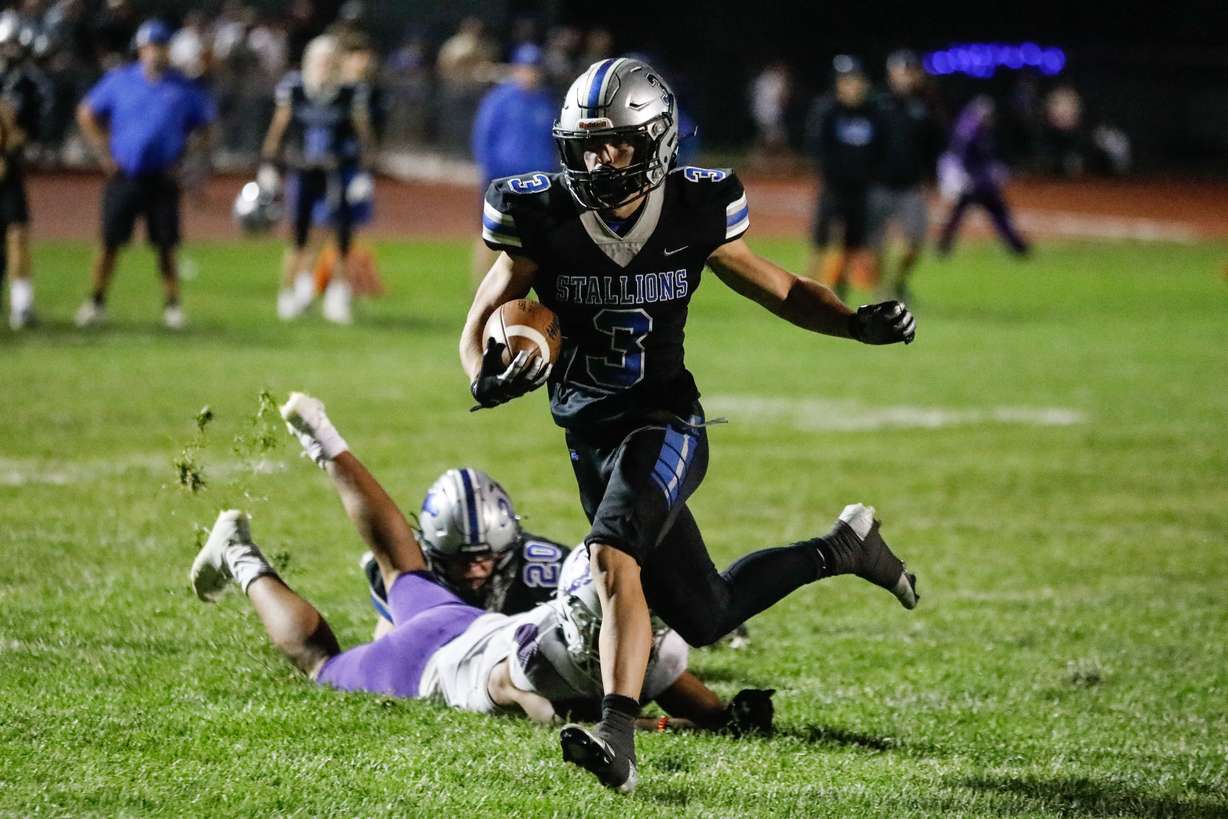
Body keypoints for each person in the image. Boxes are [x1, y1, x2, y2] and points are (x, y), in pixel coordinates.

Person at [461, 57, 920, 792]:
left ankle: (616, 735)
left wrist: (854, 323)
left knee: (613, 556)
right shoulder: (539, 213)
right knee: (707, 612)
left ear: (656, 140)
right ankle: (845, 548)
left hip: (666, 422)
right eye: (585, 143)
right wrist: (483, 365)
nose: (597, 157)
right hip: (591, 438)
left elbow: (783, 288)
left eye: (614, 142)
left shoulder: (695, 206)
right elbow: (485, 315)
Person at [189, 391, 775, 735]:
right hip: (425, 659)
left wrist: (724, 717)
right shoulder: (551, 662)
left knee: (403, 567)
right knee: (323, 664)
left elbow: (680, 691)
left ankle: (323, 438)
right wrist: (642, 724)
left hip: (461, 625)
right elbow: (532, 702)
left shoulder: (591, 638)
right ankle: (240, 557)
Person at [74, 19, 215, 330]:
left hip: (163, 177)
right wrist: (104, 153)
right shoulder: (121, 80)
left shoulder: (182, 87)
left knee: (166, 245)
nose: (155, 53)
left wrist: (187, 157)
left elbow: (206, 125)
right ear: (140, 50)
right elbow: (86, 113)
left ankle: (173, 306)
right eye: (149, 47)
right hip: (125, 174)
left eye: (160, 47)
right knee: (109, 241)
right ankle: (96, 300)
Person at [259, 34, 370, 324]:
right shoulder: (294, 89)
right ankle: (289, 291)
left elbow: (364, 136)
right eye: (320, 61)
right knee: (298, 234)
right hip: (303, 170)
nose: (325, 67)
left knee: (343, 235)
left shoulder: (349, 93)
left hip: (338, 172)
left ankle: (338, 295)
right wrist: (269, 165)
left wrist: (362, 171)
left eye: (330, 61)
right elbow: (278, 129)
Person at [468, 43, 558, 285]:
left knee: (535, 239)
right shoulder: (498, 100)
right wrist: (488, 172)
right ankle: (481, 288)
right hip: (502, 180)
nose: (530, 73)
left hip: (537, 183)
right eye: (525, 68)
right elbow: (483, 136)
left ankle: (527, 287)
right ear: (516, 69)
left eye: (534, 68)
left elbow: (551, 142)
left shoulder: (545, 103)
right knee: (489, 235)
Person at [803, 55, 883, 299]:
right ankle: (805, 291)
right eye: (846, 81)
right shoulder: (826, 111)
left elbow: (880, 147)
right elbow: (816, 147)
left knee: (852, 242)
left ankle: (840, 286)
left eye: (854, 80)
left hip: (859, 189)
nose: (851, 86)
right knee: (821, 239)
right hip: (833, 187)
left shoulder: (871, 111)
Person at [869, 50, 944, 302]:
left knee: (914, 242)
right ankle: (881, 290)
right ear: (891, 74)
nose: (905, 78)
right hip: (878, 184)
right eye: (900, 72)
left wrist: (932, 178)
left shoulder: (925, 106)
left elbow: (934, 146)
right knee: (875, 244)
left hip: (911, 186)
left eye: (909, 72)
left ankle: (898, 282)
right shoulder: (876, 103)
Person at [0, 9, 51, 330]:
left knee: (18, 234)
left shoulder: (29, 83)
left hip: (10, 169)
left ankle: (21, 305)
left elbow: (29, 131)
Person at [936, 96, 1030, 257]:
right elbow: (960, 158)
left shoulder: (976, 132)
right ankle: (1018, 248)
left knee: (965, 215)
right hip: (976, 183)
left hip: (981, 183)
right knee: (995, 215)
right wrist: (961, 178)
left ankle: (944, 247)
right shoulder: (971, 133)